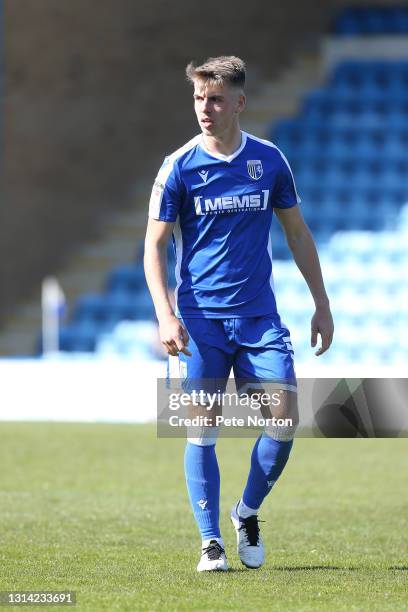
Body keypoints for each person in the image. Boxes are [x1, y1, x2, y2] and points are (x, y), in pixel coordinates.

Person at [144, 56, 334, 572]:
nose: (205, 108)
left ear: (240, 103)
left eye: (217, 98)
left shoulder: (270, 161)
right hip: (201, 322)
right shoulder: (178, 166)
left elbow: (297, 233)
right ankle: (210, 542)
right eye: (199, 98)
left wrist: (322, 302)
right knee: (201, 428)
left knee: (285, 420)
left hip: (259, 322)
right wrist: (165, 314)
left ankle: (245, 511)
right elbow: (153, 247)